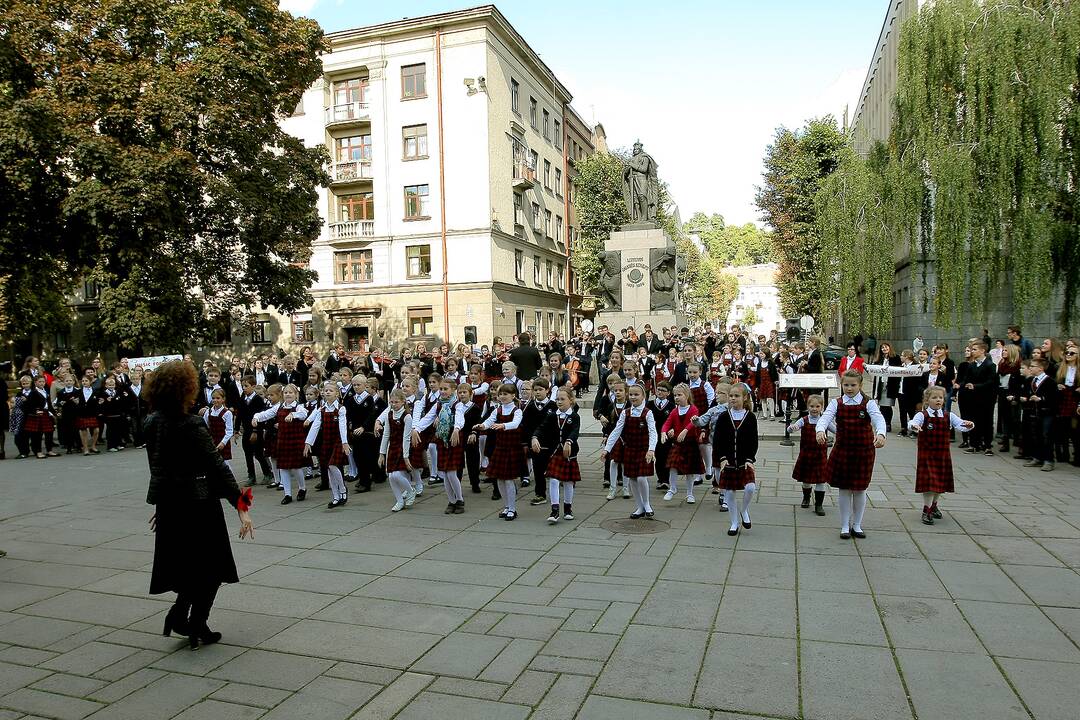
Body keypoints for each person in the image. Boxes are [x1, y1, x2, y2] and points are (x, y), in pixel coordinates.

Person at [144, 359, 254, 651]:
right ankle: (196, 623)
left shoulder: (151, 422)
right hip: (199, 504)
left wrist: (159, 506)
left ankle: (179, 616)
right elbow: (218, 467)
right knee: (213, 567)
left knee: (188, 567)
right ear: (187, 390)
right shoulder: (192, 424)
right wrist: (242, 508)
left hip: (171, 506)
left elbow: (158, 468)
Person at [818, 369, 887, 539]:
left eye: (853, 385)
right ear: (841, 385)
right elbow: (825, 417)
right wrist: (820, 430)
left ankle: (857, 525)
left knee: (860, 489)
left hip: (864, 451)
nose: (849, 388)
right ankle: (844, 526)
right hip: (843, 450)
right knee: (844, 488)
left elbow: (879, 419)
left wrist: (881, 434)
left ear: (860, 385)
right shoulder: (836, 403)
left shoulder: (869, 403)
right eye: (846, 385)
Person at [908, 386, 973, 525]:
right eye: (934, 397)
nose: (938, 400)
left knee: (939, 482)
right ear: (927, 400)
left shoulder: (948, 415)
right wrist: (914, 426)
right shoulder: (922, 415)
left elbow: (960, 424)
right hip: (927, 454)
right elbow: (913, 422)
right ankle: (926, 510)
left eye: (941, 398)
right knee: (930, 482)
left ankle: (934, 505)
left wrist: (968, 424)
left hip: (942, 454)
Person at [603, 383, 658, 519]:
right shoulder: (625, 413)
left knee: (641, 478)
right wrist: (606, 449)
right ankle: (639, 507)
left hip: (643, 451)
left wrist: (651, 449)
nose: (633, 397)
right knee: (632, 478)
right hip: (630, 450)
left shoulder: (648, 413)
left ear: (643, 396)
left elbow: (653, 432)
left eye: (636, 394)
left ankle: (647, 504)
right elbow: (616, 431)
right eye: (631, 395)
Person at [714, 383, 759, 536]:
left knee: (750, 488)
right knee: (730, 493)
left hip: (744, 461)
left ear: (745, 398)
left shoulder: (751, 417)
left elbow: (754, 441)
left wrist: (750, 459)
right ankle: (734, 522)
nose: (733, 398)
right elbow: (717, 440)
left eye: (736, 396)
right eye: (731, 396)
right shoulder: (724, 416)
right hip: (728, 462)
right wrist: (722, 458)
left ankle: (744, 510)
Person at [477, 382, 525, 520]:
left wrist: (502, 425)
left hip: (511, 448)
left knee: (509, 480)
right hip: (500, 448)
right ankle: (506, 506)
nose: (502, 397)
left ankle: (512, 508)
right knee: (499, 479)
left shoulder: (517, 410)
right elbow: (489, 421)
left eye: (506, 394)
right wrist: (482, 425)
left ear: (513, 395)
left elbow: (515, 424)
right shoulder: (497, 410)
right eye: (501, 394)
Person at [534, 386, 581, 524]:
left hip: (569, 453)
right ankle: (554, 510)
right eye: (557, 399)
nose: (559, 402)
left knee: (567, 481)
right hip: (555, 452)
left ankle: (568, 508)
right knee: (553, 479)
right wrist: (535, 437)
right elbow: (541, 427)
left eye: (562, 399)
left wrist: (569, 441)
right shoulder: (552, 415)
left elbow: (575, 431)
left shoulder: (574, 416)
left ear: (571, 400)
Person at [304, 381, 352, 508]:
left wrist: (344, 442)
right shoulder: (321, 409)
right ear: (322, 394)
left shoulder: (341, 408)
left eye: (331, 390)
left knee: (333, 466)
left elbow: (343, 426)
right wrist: (308, 442)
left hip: (337, 441)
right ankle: (335, 496)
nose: (328, 392)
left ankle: (342, 489)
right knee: (328, 468)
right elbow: (315, 425)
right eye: (326, 391)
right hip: (326, 441)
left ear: (337, 393)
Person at [788, 394, 834, 516]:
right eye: (812, 406)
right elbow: (793, 428)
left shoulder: (825, 421)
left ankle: (819, 504)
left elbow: (836, 430)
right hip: (806, 454)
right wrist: (792, 428)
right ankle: (806, 498)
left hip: (820, 455)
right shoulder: (804, 420)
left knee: (820, 480)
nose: (814, 409)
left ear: (822, 407)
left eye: (817, 406)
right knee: (806, 479)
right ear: (808, 407)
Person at [661, 383, 704, 503]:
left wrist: (685, 430)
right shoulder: (675, 411)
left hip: (690, 443)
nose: (676, 397)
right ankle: (672, 488)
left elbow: (693, 421)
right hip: (678, 444)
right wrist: (664, 432)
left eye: (679, 395)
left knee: (689, 471)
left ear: (687, 395)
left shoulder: (693, 408)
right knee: (672, 466)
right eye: (675, 395)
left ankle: (690, 494)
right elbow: (667, 423)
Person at [378, 389, 417, 512]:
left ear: (403, 402)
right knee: (391, 477)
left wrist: (406, 456)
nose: (393, 404)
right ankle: (399, 500)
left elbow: (406, 438)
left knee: (397, 474)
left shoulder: (407, 416)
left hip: (402, 448)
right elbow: (386, 434)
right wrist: (382, 453)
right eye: (391, 402)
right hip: (392, 448)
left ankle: (411, 490)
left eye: (396, 402)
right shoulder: (390, 414)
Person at [1021, 357, 1059, 471]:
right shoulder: (1032, 380)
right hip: (1035, 412)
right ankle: (1037, 457)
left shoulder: (1050, 381)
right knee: (1036, 434)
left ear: (1041, 368)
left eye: (1033, 366)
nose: (1031, 368)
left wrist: (1041, 399)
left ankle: (1049, 460)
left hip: (1047, 412)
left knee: (1046, 435)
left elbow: (1054, 399)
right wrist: (1027, 398)